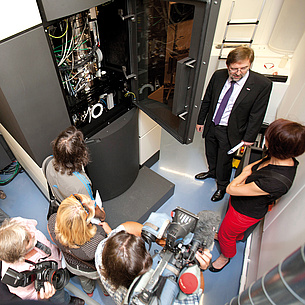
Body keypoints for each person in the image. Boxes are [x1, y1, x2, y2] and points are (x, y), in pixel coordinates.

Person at [209, 119, 305, 272]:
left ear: (276, 146)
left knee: (226, 235)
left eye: (268, 137)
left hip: (244, 213)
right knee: (230, 233)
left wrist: (246, 171)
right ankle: (232, 236)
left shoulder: (276, 181)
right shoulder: (282, 158)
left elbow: (230, 189)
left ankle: (226, 256)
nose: (265, 138)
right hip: (243, 203)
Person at [195, 46, 272, 202]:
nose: (238, 72)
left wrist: (249, 137)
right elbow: (208, 99)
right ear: (227, 66)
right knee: (210, 152)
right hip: (212, 124)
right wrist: (200, 120)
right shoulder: (218, 76)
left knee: (225, 160)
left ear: (250, 64)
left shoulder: (262, 84)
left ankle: (222, 186)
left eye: (243, 68)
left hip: (232, 130)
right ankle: (212, 172)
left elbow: (257, 114)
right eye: (234, 69)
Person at [95, 222, 212, 305]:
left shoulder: (101, 252)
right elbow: (195, 293)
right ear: (146, 264)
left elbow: (127, 227)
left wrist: (160, 240)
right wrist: (198, 268)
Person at [0, 217, 84, 304]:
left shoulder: (19, 226)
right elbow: (29, 296)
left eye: (26, 230)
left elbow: (32, 223)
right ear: (20, 254)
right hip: (51, 283)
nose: (32, 234)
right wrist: (42, 296)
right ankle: (68, 301)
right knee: (59, 296)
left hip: (59, 259)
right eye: (28, 240)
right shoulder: (15, 274)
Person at [47, 194, 112, 297]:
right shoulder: (97, 238)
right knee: (102, 279)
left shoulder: (52, 221)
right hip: (92, 270)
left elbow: (52, 237)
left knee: (83, 279)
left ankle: (89, 291)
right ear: (83, 223)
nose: (93, 203)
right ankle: (105, 292)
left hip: (72, 264)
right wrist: (111, 233)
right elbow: (107, 254)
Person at [42, 125, 105, 219]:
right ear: (80, 155)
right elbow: (92, 209)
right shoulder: (82, 185)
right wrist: (102, 215)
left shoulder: (47, 162)